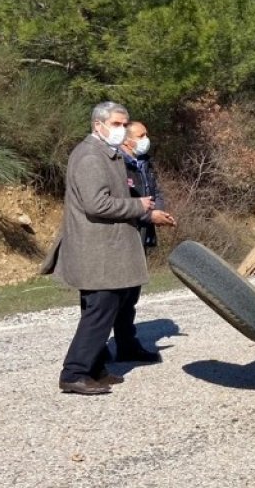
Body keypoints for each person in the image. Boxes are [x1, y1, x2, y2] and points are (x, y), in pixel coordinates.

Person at [40, 101, 154, 396]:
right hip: (97, 249)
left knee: (100, 309)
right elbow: (96, 203)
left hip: (105, 248)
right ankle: (75, 372)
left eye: (125, 124)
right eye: (117, 124)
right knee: (100, 310)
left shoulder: (108, 154)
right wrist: (137, 205)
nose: (123, 129)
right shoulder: (91, 156)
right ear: (98, 125)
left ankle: (95, 367)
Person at [115, 120, 176, 363]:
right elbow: (119, 201)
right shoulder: (117, 164)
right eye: (141, 135)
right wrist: (148, 215)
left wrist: (157, 214)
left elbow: (155, 192)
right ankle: (100, 349)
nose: (146, 139)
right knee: (116, 296)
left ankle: (126, 345)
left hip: (143, 233)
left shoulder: (144, 162)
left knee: (131, 295)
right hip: (124, 235)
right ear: (127, 139)